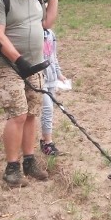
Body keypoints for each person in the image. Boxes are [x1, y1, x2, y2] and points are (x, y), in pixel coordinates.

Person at [0, 0, 58, 187]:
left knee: (31, 113)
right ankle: (12, 167)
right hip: (9, 66)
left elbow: (46, 24)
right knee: (17, 114)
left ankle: (29, 161)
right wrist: (18, 59)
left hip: (35, 65)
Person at [40, 28, 67, 156]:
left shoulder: (51, 34)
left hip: (51, 79)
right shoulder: (34, 33)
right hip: (40, 79)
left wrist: (59, 74)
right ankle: (48, 143)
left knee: (49, 110)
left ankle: (44, 139)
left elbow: (53, 56)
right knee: (47, 109)